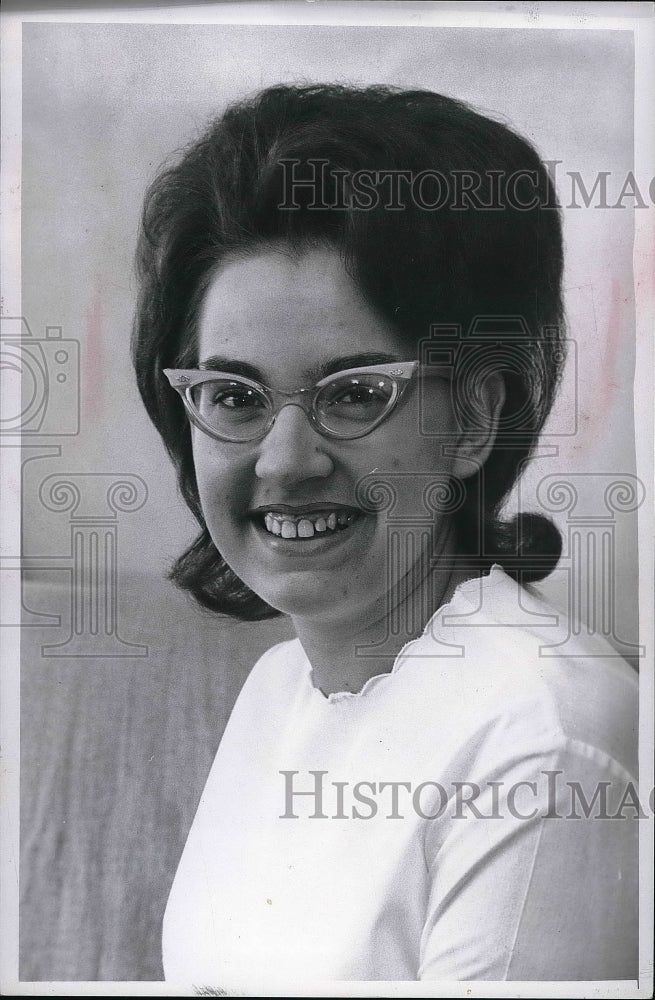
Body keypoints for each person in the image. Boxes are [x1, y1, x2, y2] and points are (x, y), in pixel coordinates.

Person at [132, 84, 638, 986]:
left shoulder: (547, 735)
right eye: (234, 398)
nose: (284, 461)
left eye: (356, 393)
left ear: (474, 421)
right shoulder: (278, 684)